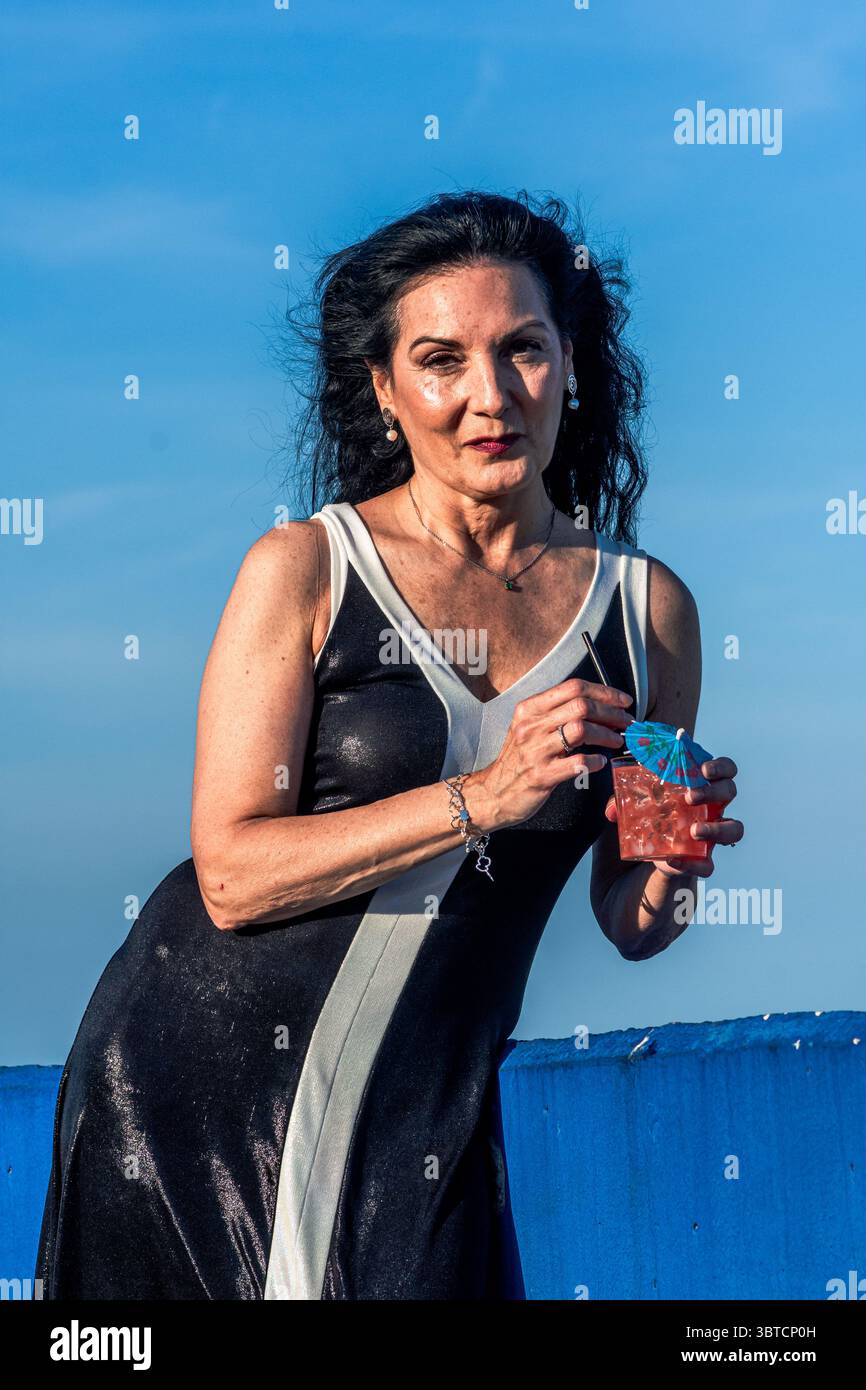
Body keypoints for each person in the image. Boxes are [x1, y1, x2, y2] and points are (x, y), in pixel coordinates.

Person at [35, 190, 743, 1301]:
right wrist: (485, 792)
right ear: (384, 391)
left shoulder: (647, 616)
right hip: (190, 1105)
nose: (487, 395)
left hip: (425, 1127)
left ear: (571, 365)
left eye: (521, 348)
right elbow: (229, 872)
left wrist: (670, 866)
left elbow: (630, 922)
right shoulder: (306, 570)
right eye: (439, 359)